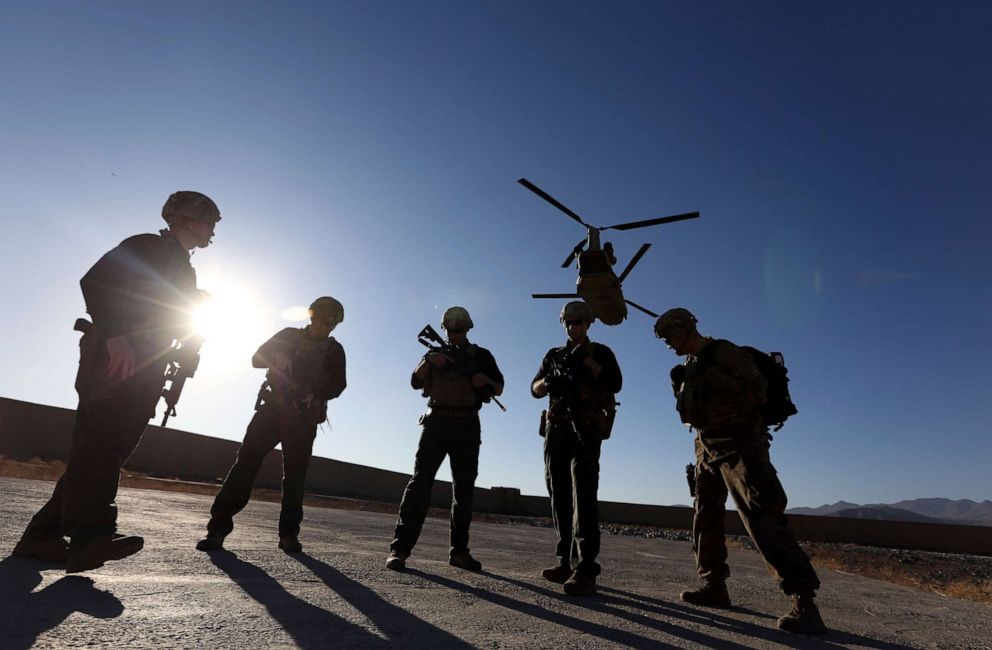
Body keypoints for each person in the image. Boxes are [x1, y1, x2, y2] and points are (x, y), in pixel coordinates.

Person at [12, 191, 220, 573]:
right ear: (190, 219)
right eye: (210, 221)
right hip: (117, 356)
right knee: (102, 445)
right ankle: (93, 535)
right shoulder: (147, 246)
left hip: (147, 364)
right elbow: (97, 280)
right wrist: (115, 335)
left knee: (104, 453)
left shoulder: (183, 268)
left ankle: (41, 537)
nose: (213, 230)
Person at [654, 307, 827, 635]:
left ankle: (804, 601)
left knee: (762, 518)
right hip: (706, 448)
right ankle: (714, 586)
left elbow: (756, 391)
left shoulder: (723, 352)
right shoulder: (688, 366)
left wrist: (707, 377)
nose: (668, 344)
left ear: (686, 328)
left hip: (741, 446)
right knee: (704, 517)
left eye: (669, 336)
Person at [196, 297, 347, 553]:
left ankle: (289, 535)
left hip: (302, 418)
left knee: (295, 477)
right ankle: (217, 530)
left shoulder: (334, 351)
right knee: (245, 464)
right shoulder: (288, 336)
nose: (328, 327)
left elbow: (339, 384)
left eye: (333, 324)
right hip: (273, 410)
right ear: (312, 317)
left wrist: (318, 394)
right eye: (324, 321)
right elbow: (256, 359)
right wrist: (278, 354)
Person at [386, 306, 504, 572]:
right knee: (420, 484)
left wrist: (484, 379)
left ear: (468, 329)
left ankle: (459, 552)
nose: (454, 334)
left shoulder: (481, 356)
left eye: (459, 330)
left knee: (464, 489)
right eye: (450, 330)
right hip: (436, 422)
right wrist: (429, 361)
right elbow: (415, 382)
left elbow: (499, 387)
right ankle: (399, 549)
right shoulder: (434, 353)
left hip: (467, 424)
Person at [531, 301, 621, 596]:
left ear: (588, 324)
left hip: (584, 430)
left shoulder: (600, 353)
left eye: (579, 322)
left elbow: (614, 382)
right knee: (558, 495)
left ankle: (585, 568)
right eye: (569, 323)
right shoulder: (554, 355)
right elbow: (534, 388)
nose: (573, 327)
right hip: (555, 429)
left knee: (583, 496)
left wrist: (586, 361)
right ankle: (564, 561)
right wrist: (549, 381)